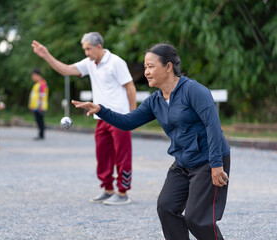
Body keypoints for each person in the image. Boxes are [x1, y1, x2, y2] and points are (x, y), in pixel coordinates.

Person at [72, 43, 230, 239]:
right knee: (166, 208)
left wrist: (216, 165)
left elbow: (213, 127)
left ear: (168, 67)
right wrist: (101, 110)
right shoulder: (155, 101)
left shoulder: (194, 91)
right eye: (145, 67)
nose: (146, 72)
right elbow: (128, 122)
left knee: (197, 219)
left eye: (151, 66)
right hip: (183, 162)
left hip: (208, 160)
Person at [31, 32, 137, 205]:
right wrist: (46, 55)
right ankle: (108, 189)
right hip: (101, 116)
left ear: (99, 47)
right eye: (84, 49)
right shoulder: (90, 63)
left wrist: (133, 116)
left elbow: (130, 86)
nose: (86, 52)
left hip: (120, 116)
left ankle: (123, 193)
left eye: (88, 49)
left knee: (122, 155)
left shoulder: (116, 62)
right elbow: (66, 70)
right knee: (102, 155)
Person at [28, 69, 49, 140]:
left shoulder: (42, 84)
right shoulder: (37, 84)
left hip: (40, 107)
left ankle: (41, 135)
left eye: (33, 76)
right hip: (36, 107)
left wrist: (40, 106)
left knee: (40, 121)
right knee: (38, 121)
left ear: (38, 75)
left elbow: (42, 95)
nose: (32, 78)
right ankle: (40, 134)